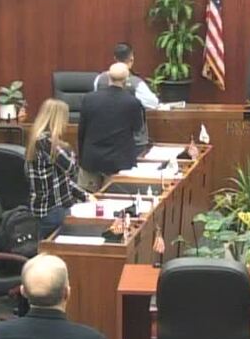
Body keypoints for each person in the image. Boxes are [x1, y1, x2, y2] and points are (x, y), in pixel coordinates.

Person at [25, 99, 95, 239]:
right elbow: (72, 170)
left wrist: (85, 196)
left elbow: (62, 180)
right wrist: (68, 148)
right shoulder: (47, 144)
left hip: (44, 210)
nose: (66, 124)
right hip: (54, 211)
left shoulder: (35, 141)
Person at [78, 62, 144, 192]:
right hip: (118, 164)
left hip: (92, 160)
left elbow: (81, 131)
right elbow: (137, 129)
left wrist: (82, 158)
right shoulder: (133, 103)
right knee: (114, 201)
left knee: (87, 199)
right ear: (127, 80)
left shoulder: (89, 99)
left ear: (108, 76)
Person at [94, 42, 158, 157]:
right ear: (131, 59)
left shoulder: (99, 79)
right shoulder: (136, 84)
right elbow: (153, 103)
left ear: (115, 58)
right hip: (133, 142)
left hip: (106, 138)